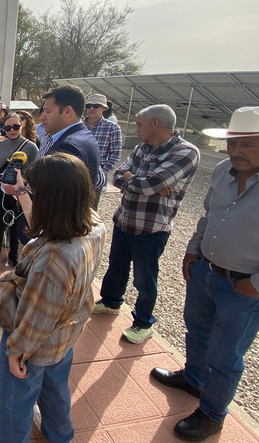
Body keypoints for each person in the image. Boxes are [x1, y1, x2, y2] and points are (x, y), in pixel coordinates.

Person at [150, 106, 259, 442]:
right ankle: (193, 377)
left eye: (247, 145)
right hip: (206, 271)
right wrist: (194, 248)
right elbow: (208, 215)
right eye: (232, 143)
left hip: (246, 286)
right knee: (196, 330)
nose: (236, 151)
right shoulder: (223, 170)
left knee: (225, 354)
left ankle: (212, 414)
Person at [0, 153, 106, 443]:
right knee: (55, 389)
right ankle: (59, 435)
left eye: (37, 192)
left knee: (12, 402)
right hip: (65, 335)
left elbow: (37, 318)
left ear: (51, 200)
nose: (32, 196)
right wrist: (23, 191)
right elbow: (42, 222)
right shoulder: (92, 224)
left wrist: (16, 352)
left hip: (33, 345)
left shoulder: (54, 260)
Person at [94, 104, 200, 344]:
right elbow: (119, 175)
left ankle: (143, 322)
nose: (136, 128)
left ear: (156, 124)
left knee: (145, 278)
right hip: (125, 220)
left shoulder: (186, 152)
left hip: (151, 229)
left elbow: (148, 184)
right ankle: (111, 302)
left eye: (139, 124)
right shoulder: (142, 148)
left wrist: (138, 180)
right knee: (116, 267)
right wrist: (139, 181)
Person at [0, 113, 38, 278]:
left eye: (15, 126)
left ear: (22, 125)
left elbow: (33, 173)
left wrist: (23, 186)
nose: (12, 130)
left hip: (19, 193)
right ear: (3, 128)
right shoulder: (0, 145)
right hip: (0, 191)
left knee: (16, 225)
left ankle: (14, 256)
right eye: (7, 127)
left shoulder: (31, 147)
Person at [38, 85, 103, 191]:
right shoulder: (85, 136)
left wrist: (21, 190)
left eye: (48, 111)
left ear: (67, 111)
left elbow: (53, 196)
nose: (42, 117)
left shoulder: (67, 147)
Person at [84, 93, 123, 208]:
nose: (91, 109)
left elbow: (116, 154)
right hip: (76, 174)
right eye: (89, 106)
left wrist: (103, 173)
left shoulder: (112, 127)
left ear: (104, 108)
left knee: (90, 211)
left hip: (95, 177)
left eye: (96, 106)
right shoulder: (78, 125)